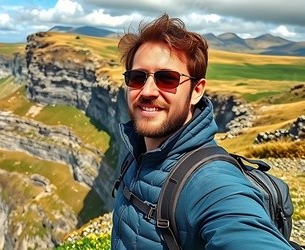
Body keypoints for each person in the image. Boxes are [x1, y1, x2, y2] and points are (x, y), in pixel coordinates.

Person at [111, 13, 294, 249]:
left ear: (197, 91)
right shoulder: (137, 151)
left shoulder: (211, 183)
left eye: (167, 79)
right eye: (137, 77)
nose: (147, 91)